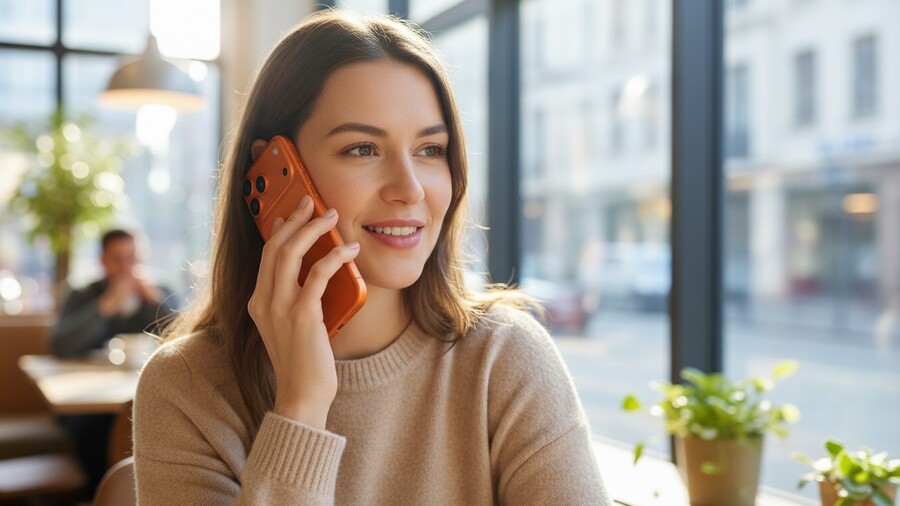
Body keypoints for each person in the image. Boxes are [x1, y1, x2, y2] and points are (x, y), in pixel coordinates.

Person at [134, 8, 611, 504]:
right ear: (271, 168)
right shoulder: (186, 388)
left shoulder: (505, 359)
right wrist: (300, 408)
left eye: (430, 150)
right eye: (362, 149)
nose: (410, 189)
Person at [49, 228, 177, 357]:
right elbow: (59, 347)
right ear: (102, 260)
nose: (125, 267)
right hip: (90, 374)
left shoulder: (162, 293)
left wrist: (155, 303)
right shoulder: (82, 294)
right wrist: (103, 308)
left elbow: (181, 341)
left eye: (132, 258)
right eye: (117, 259)